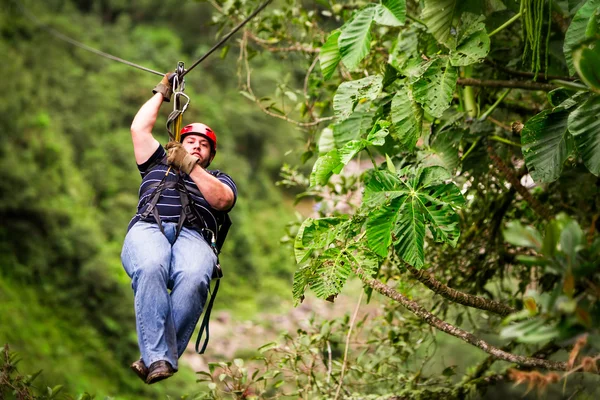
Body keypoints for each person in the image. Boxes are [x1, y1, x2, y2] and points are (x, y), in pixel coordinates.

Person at [121, 74, 237, 384]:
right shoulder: (157, 161)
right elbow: (138, 129)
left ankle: (154, 359)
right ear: (178, 143)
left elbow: (223, 201)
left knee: (196, 277)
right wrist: (162, 92)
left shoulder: (218, 178)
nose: (196, 147)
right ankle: (159, 358)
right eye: (190, 142)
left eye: (203, 146)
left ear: (210, 156)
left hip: (195, 236)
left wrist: (192, 166)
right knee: (150, 265)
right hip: (149, 226)